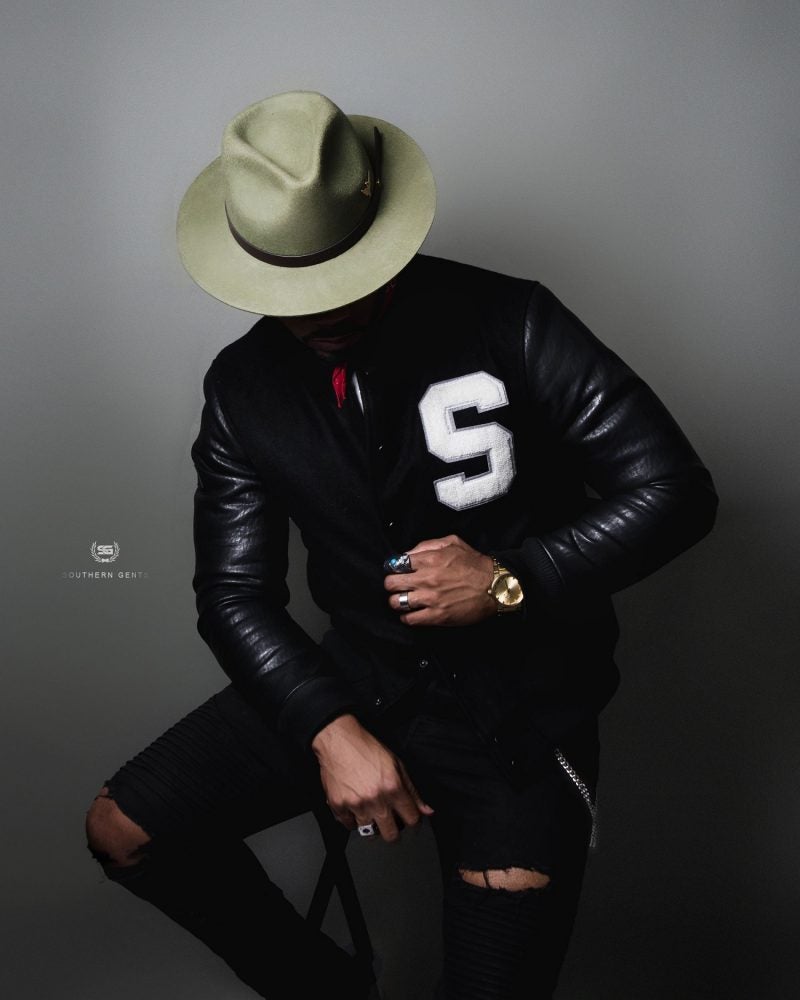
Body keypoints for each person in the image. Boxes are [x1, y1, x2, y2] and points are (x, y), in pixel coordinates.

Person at [85, 90, 719, 1000]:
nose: (325, 310)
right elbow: (232, 594)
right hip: (357, 679)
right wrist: (327, 726)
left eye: (346, 274)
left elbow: (674, 491)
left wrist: (510, 578)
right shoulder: (241, 387)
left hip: (517, 711)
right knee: (124, 830)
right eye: (297, 286)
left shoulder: (513, 318)